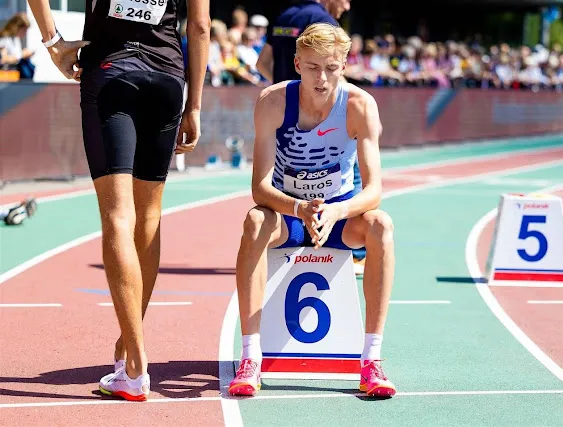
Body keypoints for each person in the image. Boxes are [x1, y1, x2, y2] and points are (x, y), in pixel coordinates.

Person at [26, 0, 210, 401]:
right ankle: (130, 344)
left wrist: (54, 41)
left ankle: (135, 360)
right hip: (166, 76)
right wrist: (194, 105)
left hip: (111, 72)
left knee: (118, 216)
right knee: (148, 214)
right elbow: (199, 26)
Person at [229, 23, 397, 398]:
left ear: (344, 65)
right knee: (255, 221)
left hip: (338, 215)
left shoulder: (359, 106)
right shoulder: (272, 101)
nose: (322, 78)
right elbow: (259, 187)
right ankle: (250, 357)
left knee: (381, 226)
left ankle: (371, 360)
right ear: (296, 64)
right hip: (290, 213)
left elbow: (375, 190)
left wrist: (336, 213)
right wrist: (298, 207)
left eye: (331, 68)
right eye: (312, 67)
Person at [256, 0, 366, 277]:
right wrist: (316, 89)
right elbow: (330, 66)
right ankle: (354, 254)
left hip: (286, 108)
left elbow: (261, 62)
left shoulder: (284, 14)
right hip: (317, 112)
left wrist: (293, 85)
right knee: (347, 175)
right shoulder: (322, 20)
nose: (347, 5)